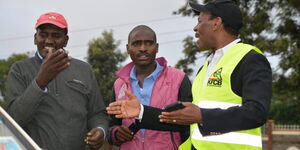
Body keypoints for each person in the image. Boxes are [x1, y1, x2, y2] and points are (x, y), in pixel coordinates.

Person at [106, 0, 272, 150]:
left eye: (200, 21)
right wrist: (142, 111)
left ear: (216, 23)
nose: (195, 28)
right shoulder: (206, 67)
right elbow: (183, 117)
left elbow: (256, 112)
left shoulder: (250, 59)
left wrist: (202, 115)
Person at [5, 12, 109, 150]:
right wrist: (40, 81)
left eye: (56, 35)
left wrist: (100, 130)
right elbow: (14, 119)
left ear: (65, 40)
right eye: (43, 35)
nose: (49, 41)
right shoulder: (19, 70)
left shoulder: (84, 70)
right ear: (35, 38)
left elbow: (97, 113)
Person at [107, 25, 193, 150]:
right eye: (136, 44)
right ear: (128, 48)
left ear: (157, 47)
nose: (143, 48)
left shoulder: (178, 79)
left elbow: (189, 124)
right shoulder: (119, 84)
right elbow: (111, 124)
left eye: (149, 43)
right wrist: (115, 133)